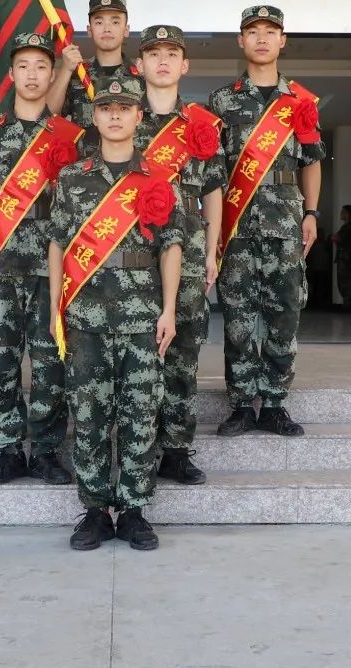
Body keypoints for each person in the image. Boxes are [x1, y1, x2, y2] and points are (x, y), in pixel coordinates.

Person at [49, 75, 185, 552]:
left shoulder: (159, 178)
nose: (114, 115)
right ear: (94, 116)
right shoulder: (73, 178)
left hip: (142, 316)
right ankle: (93, 511)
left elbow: (171, 247)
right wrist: (56, 307)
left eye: (124, 108)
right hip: (85, 314)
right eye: (106, 107)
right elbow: (58, 244)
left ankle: (133, 511)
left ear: (138, 116)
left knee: (140, 414)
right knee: (88, 415)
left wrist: (169, 310)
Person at [0, 32, 83, 486]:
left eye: (41, 66)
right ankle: (8, 451)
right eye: (23, 66)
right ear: (11, 75)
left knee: (51, 361)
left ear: (52, 75)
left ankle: (47, 451)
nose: (32, 75)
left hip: (51, 268)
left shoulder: (69, 135)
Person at [209, 5, 325, 438]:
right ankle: (241, 404)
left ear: (283, 40)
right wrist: (213, 228)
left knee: (284, 312)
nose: (261, 38)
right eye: (253, 31)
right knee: (238, 315)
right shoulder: (222, 101)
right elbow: (212, 173)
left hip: (286, 221)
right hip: (236, 223)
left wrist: (312, 212)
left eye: (270, 31)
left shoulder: (301, 100)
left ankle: (275, 402)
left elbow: (312, 161)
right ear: (241, 40)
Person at [133, 24, 227, 485]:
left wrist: (211, 251)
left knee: (184, 353)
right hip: (133, 250)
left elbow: (213, 191)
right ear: (139, 65)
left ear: (185, 65)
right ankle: (137, 450)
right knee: (138, 352)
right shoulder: (122, 117)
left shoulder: (200, 124)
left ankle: (176, 450)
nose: (163, 61)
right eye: (154, 54)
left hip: (188, 247)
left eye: (172, 54)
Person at [47, 0, 145, 132]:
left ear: (126, 30)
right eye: (99, 22)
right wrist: (66, 70)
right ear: (89, 30)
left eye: (115, 22)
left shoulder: (141, 77)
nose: (107, 29)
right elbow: (49, 116)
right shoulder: (77, 74)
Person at [332, 204, 351, 310]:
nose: (341, 214)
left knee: (344, 281)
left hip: (344, 258)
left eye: (343, 212)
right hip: (342, 257)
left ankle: (348, 305)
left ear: (348, 214)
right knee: (341, 281)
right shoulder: (345, 227)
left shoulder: (349, 227)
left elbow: (338, 238)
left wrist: (333, 237)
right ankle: (346, 303)